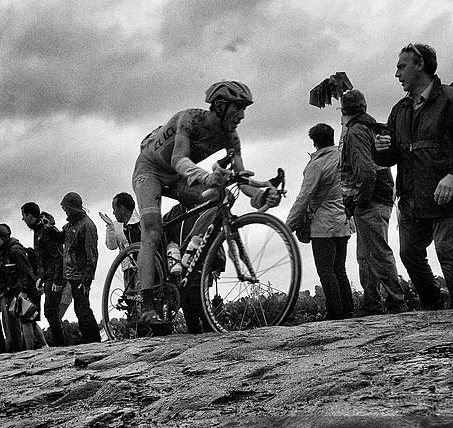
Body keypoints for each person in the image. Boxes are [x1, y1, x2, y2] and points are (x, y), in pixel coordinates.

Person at [131, 81, 281, 322]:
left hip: (178, 177)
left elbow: (241, 179)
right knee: (152, 230)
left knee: (224, 196)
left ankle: (185, 253)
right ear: (220, 107)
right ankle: (147, 307)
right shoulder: (189, 119)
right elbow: (179, 159)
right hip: (150, 171)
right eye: (238, 108)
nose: (242, 116)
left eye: (245, 109)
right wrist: (208, 177)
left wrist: (261, 195)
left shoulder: (231, 137)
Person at [374, 43, 453, 310]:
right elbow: (392, 155)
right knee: (409, 253)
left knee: (447, 249)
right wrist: (381, 150)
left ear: (420, 65)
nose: (397, 74)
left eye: (401, 67)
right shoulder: (400, 109)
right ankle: (433, 307)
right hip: (412, 196)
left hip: (445, 193)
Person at [339, 89, 407, 316]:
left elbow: (366, 172)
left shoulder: (355, 132)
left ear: (344, 112)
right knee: (366, 255)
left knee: (377, 253)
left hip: (370, 199)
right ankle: (371, 304)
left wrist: (359, 199)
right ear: (364, 108)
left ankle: (396, 303)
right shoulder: (371, 128)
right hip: (382, 196)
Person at [284, 123, 354, 320]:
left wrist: (287, 226)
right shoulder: (342, 156)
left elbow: (304, 196)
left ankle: (335, 312)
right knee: (340, 269)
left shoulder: (317, 164)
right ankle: (348, 309)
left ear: (314, 142)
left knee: (326, 270)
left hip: (323, 225)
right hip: (343, 221)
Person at [0, 224, 41, 351]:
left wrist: (23, 291)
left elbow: (25, 272)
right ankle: (33, 348)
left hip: (16, 292)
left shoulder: (14, 250)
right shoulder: (5, 250)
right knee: (26, 321)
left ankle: (23, 351)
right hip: (11, 291)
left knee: (18, 324)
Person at [21, 202, 67, 346]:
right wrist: (41, 277)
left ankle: (61, 345)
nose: (23, 219)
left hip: (54, 277)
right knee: (51, 312)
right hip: (48, 276)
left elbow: (58, 256)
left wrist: (57, 281)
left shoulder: (45, 230)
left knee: (50, 312)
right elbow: (43, 257)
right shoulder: (38, 230)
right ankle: (61, 345)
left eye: (24, 215)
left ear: (30, 215)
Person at [60, 193, 101, 344]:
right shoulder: (71, 225)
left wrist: (87, 280)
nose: (64, 210)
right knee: (80, 308)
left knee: (83, 309)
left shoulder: (87, 225)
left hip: (80, 275)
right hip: (72, 274)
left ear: (71, 207)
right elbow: (60, 238)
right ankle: (89, 338)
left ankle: (92, 339)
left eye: (65, 208)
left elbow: (92, 255)